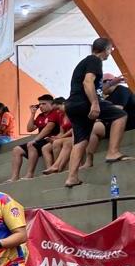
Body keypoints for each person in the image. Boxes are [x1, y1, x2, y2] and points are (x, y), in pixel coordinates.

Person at [63, 38, 130, 188]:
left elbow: (97, 87)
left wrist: (113, 82)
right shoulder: (95, 60)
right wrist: (94, 103)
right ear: (105, 49)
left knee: (81, 140)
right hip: (84, 102)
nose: (110, 53)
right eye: (110, 50)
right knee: (120, 115)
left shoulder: (85, 62)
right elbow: (88, 82)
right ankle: (112, 152)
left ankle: (72, 177)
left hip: (73, 105)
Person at [9, 95, 62, 182]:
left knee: (32, 144)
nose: (41, 106)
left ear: (51, 104)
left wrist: (35, 140)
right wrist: (32, 114)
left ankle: (30, 174)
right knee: (16, 149)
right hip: (41, 140)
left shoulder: (54, 113)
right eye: (39, 104)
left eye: (44, 104)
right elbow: (29, 129)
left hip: (50, 138)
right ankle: (14, 177)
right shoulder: (40, 116)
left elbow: (48, 128)